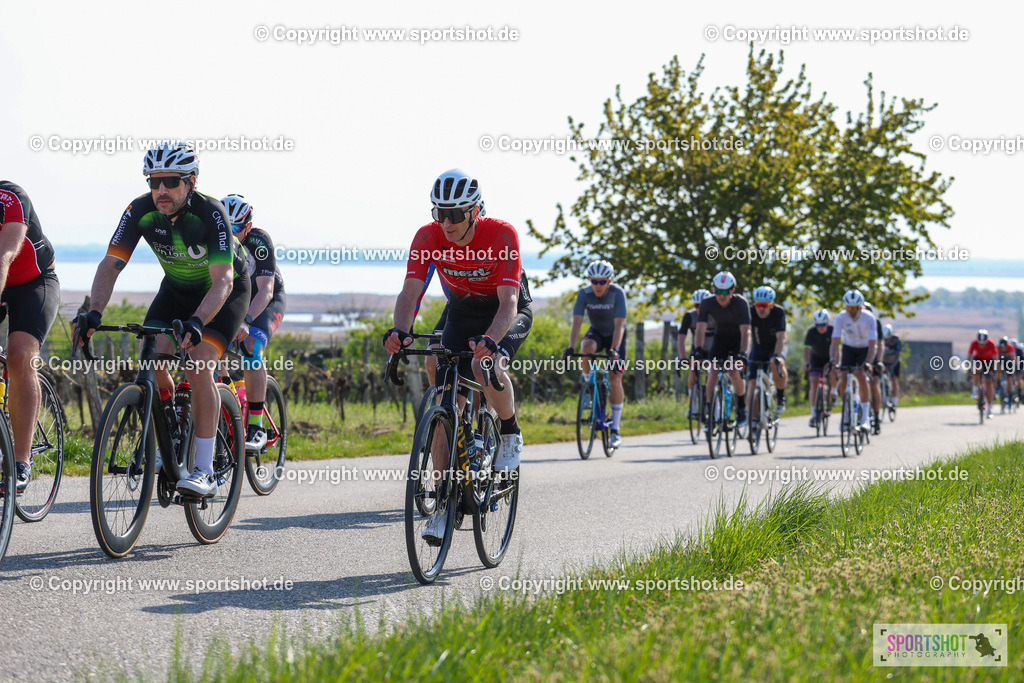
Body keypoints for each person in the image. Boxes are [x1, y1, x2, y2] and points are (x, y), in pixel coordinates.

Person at [76, 143, 250, 498]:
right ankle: (170, 427)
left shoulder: (211, 213)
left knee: (200, 364)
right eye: (154, 181)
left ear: (191, 182)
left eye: (171, 181)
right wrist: (94, 311)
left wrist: (199, 322)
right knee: (150, 355)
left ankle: (204, 470)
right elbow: (111, 264)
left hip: (225, 292)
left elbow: (224, 280)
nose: (161, 190)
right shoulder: (140, 210)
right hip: (176, 289)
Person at [382, 169, 531, 545]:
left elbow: (509, 302)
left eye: (455, 214)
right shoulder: (427, 236)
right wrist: (400, 330)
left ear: (476, 210)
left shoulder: (501, 233)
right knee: (436, 367)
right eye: (439, 213)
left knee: (487, 364)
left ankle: (510, 433)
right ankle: (445, 502)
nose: (445, 223)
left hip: (504, 309)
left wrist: (493, 341)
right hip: (462, 310)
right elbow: (410, 292)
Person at [0, 181, 59, 493]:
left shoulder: (10, 197)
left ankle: (21, 461)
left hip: (33, 283)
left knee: (20, 354)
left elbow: (5, 256)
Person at [220, 194, 287, 452]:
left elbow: (266, 290)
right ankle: (228, 395)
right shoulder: (216, 239)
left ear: (247, 226)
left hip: (266, 301)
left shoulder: (259, 241)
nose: (232, 234)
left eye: (237, 228)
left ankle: (257, 428)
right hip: (236, 298)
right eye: (227, 228)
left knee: (250, 347)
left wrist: (246, 320)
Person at [563, 260, 627, 448]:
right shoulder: (584, 294)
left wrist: (614, 349)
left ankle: (615, 429)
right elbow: (577, 322)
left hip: (616, 335)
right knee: (586, 347)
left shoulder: (618, 293)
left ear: (609, 281)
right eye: (594, 281)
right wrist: (570, 348)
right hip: (597, 332)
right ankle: (589, 386)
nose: (597, 285)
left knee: (615, 378)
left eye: (602, 282)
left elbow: (620, 325)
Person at [694, 271, 749, 427]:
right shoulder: (707, 302)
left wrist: (743, 353)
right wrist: (698, 349)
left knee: (733, 370)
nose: (721, 295)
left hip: (738, 339)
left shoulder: (741, 303)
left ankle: (741, 407)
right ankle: (709, 411)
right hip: (721, 339)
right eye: (717, 291)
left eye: (725, 292)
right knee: (712, 372)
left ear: (732, 290)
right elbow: (700, 329)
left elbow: (746, 331)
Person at [829, 289, 877, 432]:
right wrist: (833, 360)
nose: (852, 311)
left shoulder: (869, 318)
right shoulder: (840, 318)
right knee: (843, 376)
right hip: (849, 348)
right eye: (849, 308)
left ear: (861, 307)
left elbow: (873, 345)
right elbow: (835, 343)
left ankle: (865, 418)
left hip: (864, 349)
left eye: (855, 308)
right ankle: (846, 413)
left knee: (862, 376)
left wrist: (868, 362)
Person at [746, 285, 788, 414]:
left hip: (775, 347)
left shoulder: (778, 312)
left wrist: (776, 355)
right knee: (753, 385)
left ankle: (780, 396)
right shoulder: (750, 312)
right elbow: (746, 333)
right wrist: (745, 354)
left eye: (765, 305)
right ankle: (752, 421)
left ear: (772, 304)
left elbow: (781, 337)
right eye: (759, 305)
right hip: (758, 348)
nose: (761, 309)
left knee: (777, 364)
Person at [678, 289, 713, 417]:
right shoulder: (690, 316)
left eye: (703, 305)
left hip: (714, 350)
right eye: (697, 305)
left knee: (715, 375)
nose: (700, 309)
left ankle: (716, 409)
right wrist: (682, 357)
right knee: (692, 371)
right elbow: (681, 337)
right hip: (698, 350)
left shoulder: (716, 315)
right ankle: (693, 406)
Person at [803, 309, 835, 428]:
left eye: (823, 324)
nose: (820, 327)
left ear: (828, 323)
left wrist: (835, 362)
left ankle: (833, 394)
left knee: (833, 373)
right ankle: (814, 414)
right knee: (814, 381)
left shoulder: (833, 331)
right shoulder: (811, 332)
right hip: (816, 358)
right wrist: (807, 362)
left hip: (830, 357)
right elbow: (807, 349)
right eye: (818, 325)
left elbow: (837, 348)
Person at [862, 303, 885, 434]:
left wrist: (879, 361)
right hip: (860, 353)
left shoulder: (876, 323)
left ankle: (876, 417)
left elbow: (880, 344)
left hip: (874, 354)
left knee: (874, 385)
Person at [968, 329, 998, 417]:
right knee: (976, 368)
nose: (982, 345)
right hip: (978, 359)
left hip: (989, 361)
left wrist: (994, 369)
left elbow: (995, 357)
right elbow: (969, 356)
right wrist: (969, 367)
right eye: (980, 343)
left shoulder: (991, 343)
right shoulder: (974, 343)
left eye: (983, 343)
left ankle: (990, 407)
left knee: (989, 382)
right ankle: (974, 389)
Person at [881, 324, 902, 408]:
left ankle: (894, 402)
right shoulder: (881, 339)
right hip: (884, 362)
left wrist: (893, 365)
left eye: (887, 339)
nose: (885, 341)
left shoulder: (896, 340)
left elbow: (897, 355)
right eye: (884, 339)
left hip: (894, 362)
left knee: (894, 380)